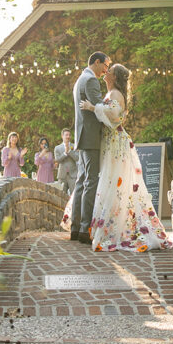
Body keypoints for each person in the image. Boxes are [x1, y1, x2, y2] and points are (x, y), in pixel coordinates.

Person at [70, 63, 171, 252]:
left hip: (115, 142)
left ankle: (110, 228)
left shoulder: (116, 94)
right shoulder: (111, 93)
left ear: (115, 77)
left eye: (110, 71)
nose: (105, 73)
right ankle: (107, 223)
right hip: (109, 141)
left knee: (112, 182)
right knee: (108, 183)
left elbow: (114, 116)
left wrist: (93, 107)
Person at [70, 51, 111, 244]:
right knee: (91, 181)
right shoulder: (91, 80)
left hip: (82, 137)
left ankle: (75, 228)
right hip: (91, 137)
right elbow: (100, 107)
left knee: (81, 181)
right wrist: (112, 105)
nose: (106, 70)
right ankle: (85, 229)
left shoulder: (80, 79)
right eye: (105, 65)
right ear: (97, 62)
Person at [54, 128, 79, 195]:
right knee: (61, 195)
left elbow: (77, 158)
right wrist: (65, 153)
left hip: (73, 175)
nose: (68, 137)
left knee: (74, 195)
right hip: (62, 175)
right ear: (62, 136)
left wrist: (70, 152)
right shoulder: (57, 148)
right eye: (66, 135)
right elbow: (57, 160)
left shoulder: (74, 146)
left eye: (69, 135)